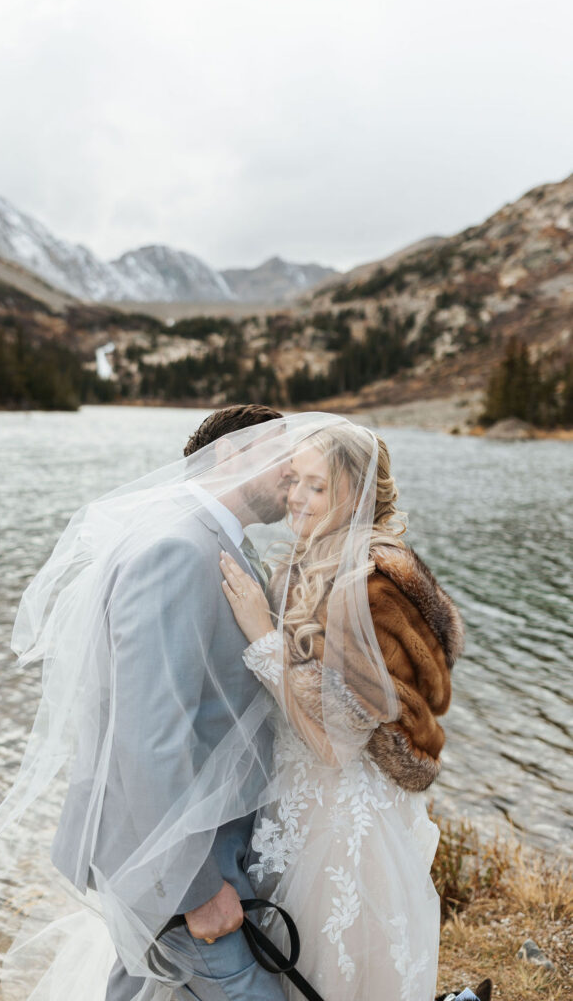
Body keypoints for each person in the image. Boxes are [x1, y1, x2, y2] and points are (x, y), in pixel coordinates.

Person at [219, 422, 465, 1000]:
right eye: (294, 481)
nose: (296, 499)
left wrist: (262, 638)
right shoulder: (297, 563)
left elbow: (336, 743)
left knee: (333, 971)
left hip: (339, 818)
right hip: (288, 799)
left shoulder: (373, 584)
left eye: (317, 487)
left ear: (353, 493)